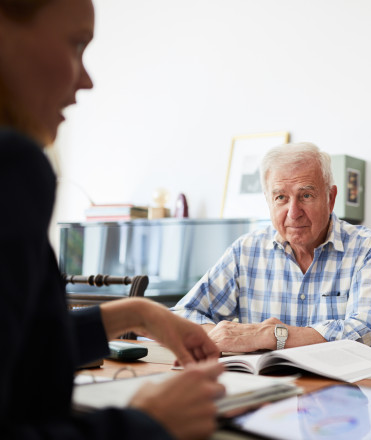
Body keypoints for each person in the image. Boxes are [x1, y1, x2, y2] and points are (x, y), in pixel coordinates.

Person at [0, 0, 227, 438]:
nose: (86, 79)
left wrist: (140, 313)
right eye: (77, 44)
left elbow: (26, 352)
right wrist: (145, 424)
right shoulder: (14, 165)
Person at [172, 142, 371, 352]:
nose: (293, 212)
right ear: (269, 202)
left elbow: (366, 334)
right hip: (263, 386)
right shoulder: (245, 251)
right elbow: (183, 315)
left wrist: (271, 336)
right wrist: (224, 336)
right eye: (281, 197)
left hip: (341, 387)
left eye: (306, 195)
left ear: (331, 198)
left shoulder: (369, 248)